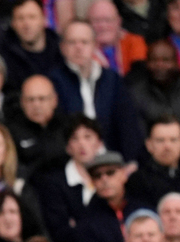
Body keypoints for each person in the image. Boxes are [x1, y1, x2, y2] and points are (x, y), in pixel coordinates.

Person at [49, 20, 144, 161]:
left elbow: (127, 125)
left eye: (84, 42)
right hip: (69, 160)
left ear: (94, 45)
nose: (78, 47)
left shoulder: (112, 79)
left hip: (111, 158)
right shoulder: (52, 82)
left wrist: (131, 162)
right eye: (72, 42)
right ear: (62, 47)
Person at [26, 114, 102, 242]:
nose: (82, 144)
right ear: (68, 147)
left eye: (87, 137)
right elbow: (62, 237)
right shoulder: (54, 184)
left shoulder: (110, 175)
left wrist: (77, 224)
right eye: (75, 138)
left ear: (99, 144)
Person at [126, 39, 180, 146]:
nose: (160, 65)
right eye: (154, 60)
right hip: (147, 160)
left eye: (166, 60)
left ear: (177, 63)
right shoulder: (134, 96)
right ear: (147, 63)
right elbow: (136, 141)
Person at [78, 152, 149, 242]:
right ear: (93, 182)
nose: (104, 179)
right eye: (97, 175)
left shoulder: (142, 207)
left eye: (110, 172)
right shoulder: (87, 219)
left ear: (124, 174)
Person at [125, 115, 180, 209]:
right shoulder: (137, 182)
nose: (167, 146)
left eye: (173, 140)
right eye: (160, 140)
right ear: (149, 145)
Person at [0, 0, 62, 93]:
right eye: (20, 18)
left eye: (32, 17)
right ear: (13, 23)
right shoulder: (3, 57)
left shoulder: (62, 51)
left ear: (44, 19)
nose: (26, 24)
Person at [87, 0, 146, 77]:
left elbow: (139, 77)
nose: (103, 26)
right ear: (87, 24)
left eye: (108, 20)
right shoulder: (82, 50)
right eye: (96, 21)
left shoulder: (134, 42)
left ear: (118, 22)